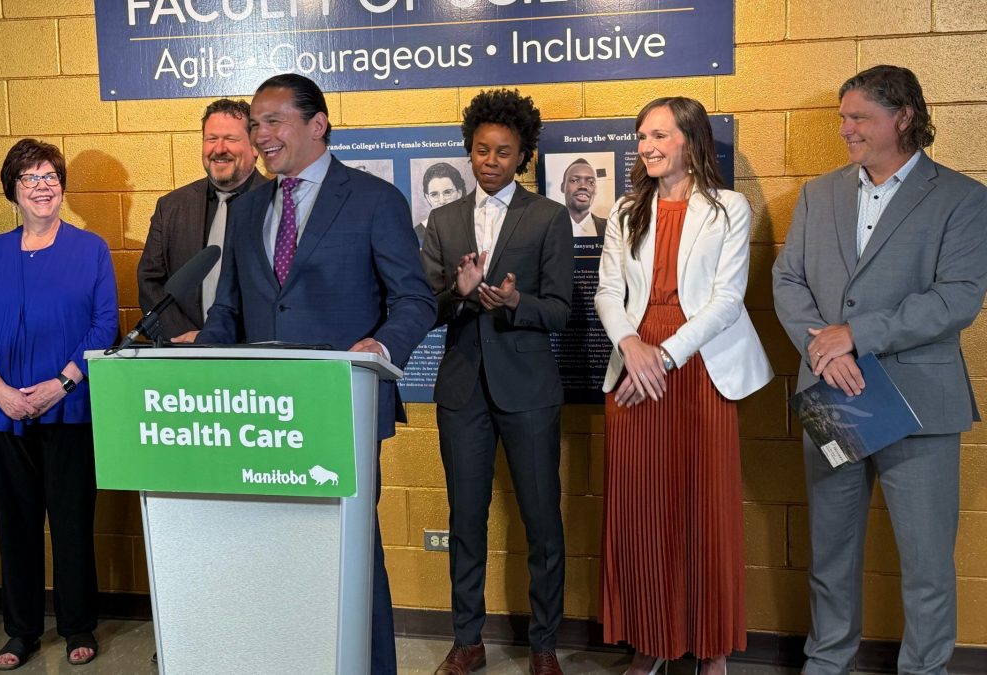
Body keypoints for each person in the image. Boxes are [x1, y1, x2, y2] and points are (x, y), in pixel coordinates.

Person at [196, 73, 436, 675]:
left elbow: (415, 301)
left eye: (272, 121)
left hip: (340, 410)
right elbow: (229, 308)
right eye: (255, 123)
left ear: (317, 124)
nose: (260, 134)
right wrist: (199, 363)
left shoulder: (373, 200)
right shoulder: (248, 207)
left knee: (351, 559)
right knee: (276, 560)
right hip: (259, 419)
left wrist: (378, 346)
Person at [773, 65, 987, 675]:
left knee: (925, 561)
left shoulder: (964, 200)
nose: (845, 129)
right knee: (831, 552)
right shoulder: (819, 195)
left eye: (858, 117)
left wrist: (855, 336)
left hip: (919, 401)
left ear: (904, 117)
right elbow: (787, 282)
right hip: (836, 395)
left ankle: (924, 668)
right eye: (843, 117)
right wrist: (825, 351)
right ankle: (827, 661)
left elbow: (957, 299)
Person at [594, 97, 772, 675]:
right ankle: (650, 641)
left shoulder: (729, 208)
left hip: (698, 368)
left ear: (691, 141)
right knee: (640, 509)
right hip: (634, 366)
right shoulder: (624, 210)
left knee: (705, 508)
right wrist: (632, 347)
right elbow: (605, 293)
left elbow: (727, 300)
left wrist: (664, 355)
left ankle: (711, 649)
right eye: (641, 135)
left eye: (659, 135)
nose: (646, 145)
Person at [421, 89, 573, 675]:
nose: (491, 161)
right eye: (482, 150)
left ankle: (543, 647)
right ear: (469, 151)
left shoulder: (549, 218)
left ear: (523, 155)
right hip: (462, 392)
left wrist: (513, 302)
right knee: (465, 518)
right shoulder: (443, 220)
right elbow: (428, 308)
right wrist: (459, 297)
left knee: (542, 522)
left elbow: (560, 310)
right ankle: (467, 641)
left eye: (504, 152)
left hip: (529, 392)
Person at [0, 139, 119, 670]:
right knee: (16, 526)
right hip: (1, 410)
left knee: (72, 525)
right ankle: (21, 631)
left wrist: (62, 386)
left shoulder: (91, 249)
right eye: (30, 177)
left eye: (50, 175)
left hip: (70, 408)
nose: (43, 185)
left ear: (62, 186)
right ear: (13, 190)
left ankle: (78, 626)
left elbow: (104, 326)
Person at [138, 99, 267, 342]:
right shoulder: (171, 207)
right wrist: (188, 338)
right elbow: (150, 283)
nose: (219, 148)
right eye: (211, 139)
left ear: (255, 147)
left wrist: (217, 337)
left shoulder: (278, 205)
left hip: (254, 355)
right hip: (182, 357)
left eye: (231, 139)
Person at [415, 161, 467, 245]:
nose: (442, 201)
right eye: (434, 194)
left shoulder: (473, 226)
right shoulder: (417, 234)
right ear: (428, 198)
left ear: (459, 193)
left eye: (447, 192)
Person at [562, 158, 607, 237]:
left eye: (590, 182)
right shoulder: (548, 227)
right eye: (574, 180)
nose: (583, 186)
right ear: (562, 187)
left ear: (595, 190)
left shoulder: (609, 227)